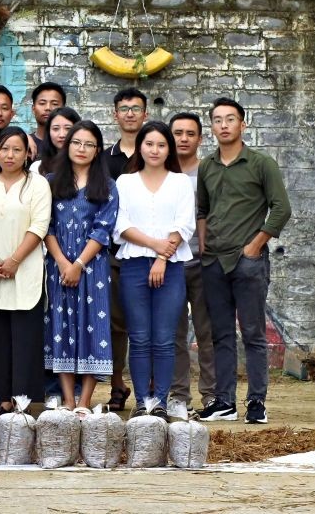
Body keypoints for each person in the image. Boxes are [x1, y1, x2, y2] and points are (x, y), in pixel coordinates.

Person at [197, 98, 291, 424]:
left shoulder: (261, 163)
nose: (224, 125)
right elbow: (203, 211)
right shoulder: (207, 166)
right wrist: (205, 247)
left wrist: (255, 246)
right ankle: (224, 402)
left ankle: (256, 403)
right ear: (212, 126)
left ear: (242, 125)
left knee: (252, 334)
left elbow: (281, 208)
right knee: (221, 335)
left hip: (247, 261)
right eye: (218, 120)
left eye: (230, 119)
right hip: (213, 263)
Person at [113, 121, 195, 420]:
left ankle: (159, 400)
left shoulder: (180, 182)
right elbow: (120, 226)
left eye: (161, 145)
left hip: (171, 268)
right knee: (139, 337)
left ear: (168, 149)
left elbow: (184, 225)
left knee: (163, 337)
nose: (155, 150)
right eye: (149, 144)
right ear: (140, 147)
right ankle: (142, 401)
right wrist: (154, 246)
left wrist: (161, 257)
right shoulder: (125, 181)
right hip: (134, 266)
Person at [44, 120, 118, 413]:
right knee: (60, 327)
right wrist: (63, 263)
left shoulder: (107, 185)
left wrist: (78, 263)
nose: (82, 149)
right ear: (67, 145)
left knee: (94, 327)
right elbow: (44, 225)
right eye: (77, 142)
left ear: (97, 149)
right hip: (58, 266)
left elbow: (103, 229)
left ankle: (85, 402)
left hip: (93, 267)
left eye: (89, 144)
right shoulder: (50, 182)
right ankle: (68, 399)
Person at [0, 127, 51, 412]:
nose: (10, 155)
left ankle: (24, 404)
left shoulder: (38, 184)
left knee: (25, 339)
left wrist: (14, 261)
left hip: (26, 268)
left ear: (27, 154)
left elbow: (39, 226)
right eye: (5, 148)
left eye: (17, 149)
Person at [100, 87, 148, 411]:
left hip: (150, 251)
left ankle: (151, 389)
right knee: (117, 325)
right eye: (124, 108)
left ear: (145, 114)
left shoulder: (155, 152)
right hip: (115, 253)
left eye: (136, 108)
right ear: (115, 114)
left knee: (148, 325)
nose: (130, 113)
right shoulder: (104, 159)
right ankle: (118, 385)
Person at [167, 112, 215, 413]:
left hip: (204, 261)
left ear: (200, 138)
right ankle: (178, 395)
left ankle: (211, 394)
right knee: (173, 334)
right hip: (170, 262)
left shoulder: (208, 172)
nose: (183, 138)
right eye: (178, 133)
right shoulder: (163, 172)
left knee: (207, 331)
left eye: (190, 133)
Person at [31, 107, 80, 175]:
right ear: (48, 132)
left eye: (68, 128)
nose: (62, 135)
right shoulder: (37, 167)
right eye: (56, 128)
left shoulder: (86, 165)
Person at [29, 82, 66, 158]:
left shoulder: (72, 145)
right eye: (42, 103)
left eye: (54, 104)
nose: (48, 108)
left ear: (63, 109)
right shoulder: (25, 143)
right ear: (33, 109)